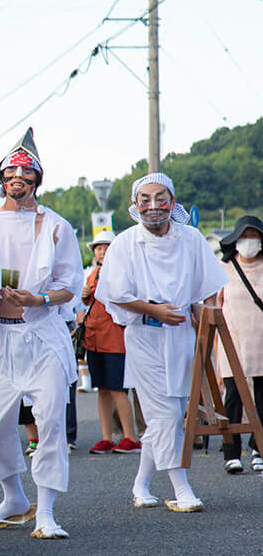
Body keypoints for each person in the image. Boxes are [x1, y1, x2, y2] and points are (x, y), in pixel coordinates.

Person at [96, 172, 227, 512]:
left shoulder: (192, 238)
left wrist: (201, 309)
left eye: (160, 198)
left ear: (172, 201)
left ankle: (140, 484)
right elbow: (114, 294)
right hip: (144, 335)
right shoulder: (125, 243)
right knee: (166, 415)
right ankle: (181, 488)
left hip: (182, 336)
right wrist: (153, 309)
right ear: (135, 204)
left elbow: (208, 283)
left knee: (166, 416)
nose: (153, 207)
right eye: (145, 199)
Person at [0, 128, 83, 540]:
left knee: (51, 421)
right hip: (1, 336)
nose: (17, 179)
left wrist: (37, 298)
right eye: (10, 173)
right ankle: (14, 498)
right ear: (2, 178)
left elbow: (69, 284)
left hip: (42, 336)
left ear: (37, 179)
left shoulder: (57, 226)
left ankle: (47, 512)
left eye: (25, 173)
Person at [81, 230, 140, 455]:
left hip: (115, 338)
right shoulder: (92, 273)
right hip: (94, 339)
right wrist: (85, 295)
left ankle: (130, 437)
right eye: (98, 247)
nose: (102, 251)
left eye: (107, 246)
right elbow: (89, 304)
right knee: (102, 389)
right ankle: (106, 437)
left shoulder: (123, 272)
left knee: (118, 389)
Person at [216, 215, 263, 473]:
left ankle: (259, 448)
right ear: (235, 240)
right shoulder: (223, 269)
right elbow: (214, 308)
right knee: (232, 397)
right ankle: (231, 451)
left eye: (255, 237)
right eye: (245, 237)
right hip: (231, 341)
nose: (250, 242)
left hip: (262, 342)